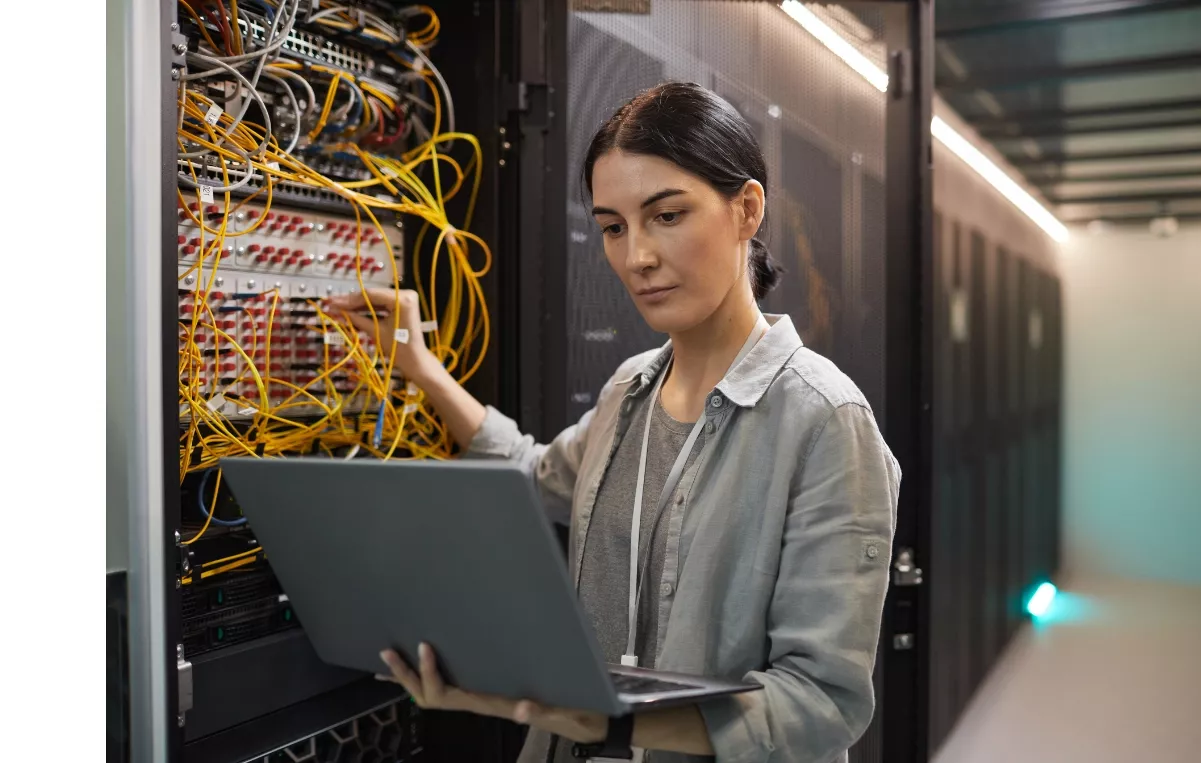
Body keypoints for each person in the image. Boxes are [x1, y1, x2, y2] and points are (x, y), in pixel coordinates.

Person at [327, 81, 901, 763]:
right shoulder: (630, 389)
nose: (636, 257)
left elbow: (819, 704)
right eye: (612, 227)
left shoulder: (824, 420)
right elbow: (533, 475)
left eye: (666, 215)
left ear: (746, 209)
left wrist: (607, 721)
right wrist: (422, 370)